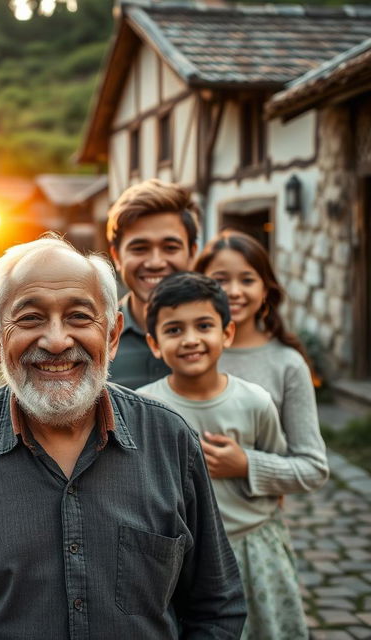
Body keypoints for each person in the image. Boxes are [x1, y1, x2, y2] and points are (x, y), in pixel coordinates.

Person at [0, 234, 246, 639]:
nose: (57, 340)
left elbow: (216, 608)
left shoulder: (170, 440)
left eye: (80, 316)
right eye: (30, 318)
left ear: (112, 335)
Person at [138, 272, 308, 639]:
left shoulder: (255, 402)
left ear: (227, 333)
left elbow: (279, 470)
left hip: (251, 547)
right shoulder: (146, 409)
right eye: (174, 330)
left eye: (203, 325)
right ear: (154, 343)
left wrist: (245, 464)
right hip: (185, 561)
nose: (191, 340)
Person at [195, 230, 328, 496]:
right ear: (199, 285)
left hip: (251, 525)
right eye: (220, 279)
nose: (233, 291)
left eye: (247, 279)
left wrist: (246, 464)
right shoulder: (185, 352)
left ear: (265, 289)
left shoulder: (287, 363)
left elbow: (314, 469)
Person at [106, 178, 200, 389]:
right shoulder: (98, 337)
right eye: (139, 248)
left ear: (192, 253)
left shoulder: (217, 336)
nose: (155, 262)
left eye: (170, 247)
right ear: (117, 256)